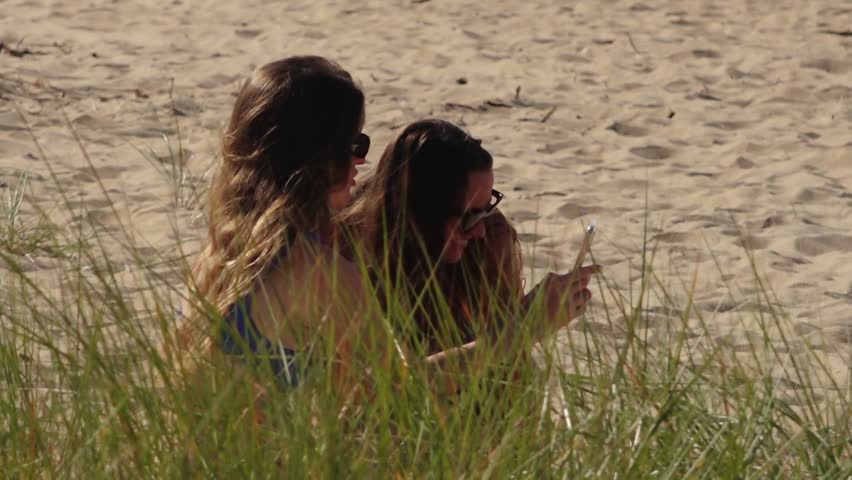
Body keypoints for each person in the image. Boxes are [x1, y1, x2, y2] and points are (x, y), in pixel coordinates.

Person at [175, 55, 373, 392]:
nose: (362, 160)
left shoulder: (214, 261)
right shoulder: (328, 276)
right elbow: (398, 392)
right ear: (324, 160)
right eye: (355, 145)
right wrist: (482, 351)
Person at [342, 119, 599, 360]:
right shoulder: (345, 260)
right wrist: (523, 327)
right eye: (467, 218)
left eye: (486, 209)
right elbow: (397, 385)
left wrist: (529, 318)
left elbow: (512, 374)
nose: (479, 231)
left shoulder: (489, 240)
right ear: (420, 215)